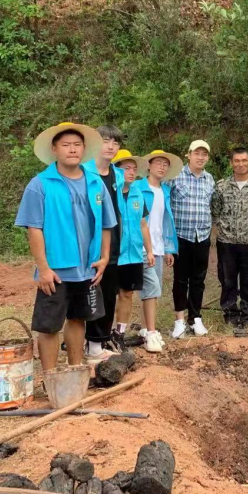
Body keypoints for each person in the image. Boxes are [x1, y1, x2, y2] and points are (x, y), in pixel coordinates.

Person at [15, 122, 116, 371]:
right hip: (56, 270)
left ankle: (75, 371)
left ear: (84, 149)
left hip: (87, 268)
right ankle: (50, 377)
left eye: (77, 145)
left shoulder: (95, 183)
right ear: (54, 149)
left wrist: (104, 258)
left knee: (78, 319)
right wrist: (43, 268)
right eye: (66, 145)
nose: (72, 149)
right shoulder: (40, 184)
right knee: (49, 326)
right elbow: (34, 228)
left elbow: (106, 224)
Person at [81, 125, 124, 364]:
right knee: (89, 294)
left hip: (113, 243)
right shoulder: (83, 171)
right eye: (106, 141)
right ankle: (88, 344)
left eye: (115, 143)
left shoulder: (117, 174)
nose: (110, 146)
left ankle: (99, 342)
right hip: (89, 245)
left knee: (108, 294)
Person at [135, 149, 181, 352]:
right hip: (141, 247)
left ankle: (145, 329)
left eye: (165, 164)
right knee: (150, 288)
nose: (162, 167)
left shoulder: (165, 191)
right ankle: (150, 332)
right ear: (149, 165)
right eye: (158, 163)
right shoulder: (138, 187)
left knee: (153, 291)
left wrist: (169, 248)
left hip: (159, 247)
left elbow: (165, 222)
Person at [211, 147, 248, 328]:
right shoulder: (221, 186)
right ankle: (230, 312)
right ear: (231, 163)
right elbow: (215, 211)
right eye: (237, 161)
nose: (241, 164)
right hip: (227, 242)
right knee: (227, 279)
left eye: (244, 160)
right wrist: (222, 231)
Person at [169, 140, 215, 338]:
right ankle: (179, 320)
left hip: (202, 236)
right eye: (197, 153)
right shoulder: (175, 176)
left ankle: (195, 318)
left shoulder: (209, 179)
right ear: (188, 155)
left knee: (198, 279)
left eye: (204, 154)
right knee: (180, 279)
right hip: (181, 235)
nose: (200, 157)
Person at [110, 150, 153, 351]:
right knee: (108, 295)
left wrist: (149, 251)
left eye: (134, 169)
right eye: (126, 168)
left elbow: (143, 225)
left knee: (127, 294)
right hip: (112, 254)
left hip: (133, 254)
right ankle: (100, 334)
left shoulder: (138, 193)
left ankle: (119, 333)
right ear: (116, 170)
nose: (131, 172)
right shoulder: (110, 193)